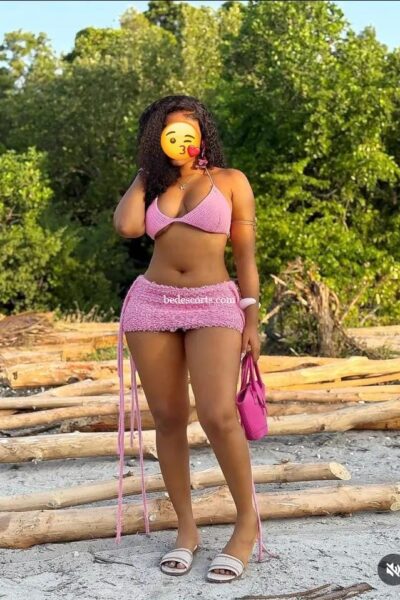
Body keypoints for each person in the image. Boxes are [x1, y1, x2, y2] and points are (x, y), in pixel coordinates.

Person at [113, 94, 267, 583]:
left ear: (203, 134)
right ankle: (186, 528)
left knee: (219, 414)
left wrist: (251, 316)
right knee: (169, 417)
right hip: (151, 302)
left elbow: (245, 254)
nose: (180, 139)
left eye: (188, 129)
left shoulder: (230, 181)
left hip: (214, 301)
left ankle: (246, 525)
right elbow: (127, 226)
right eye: (168, 131)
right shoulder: (155, 185)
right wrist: (146, 170)